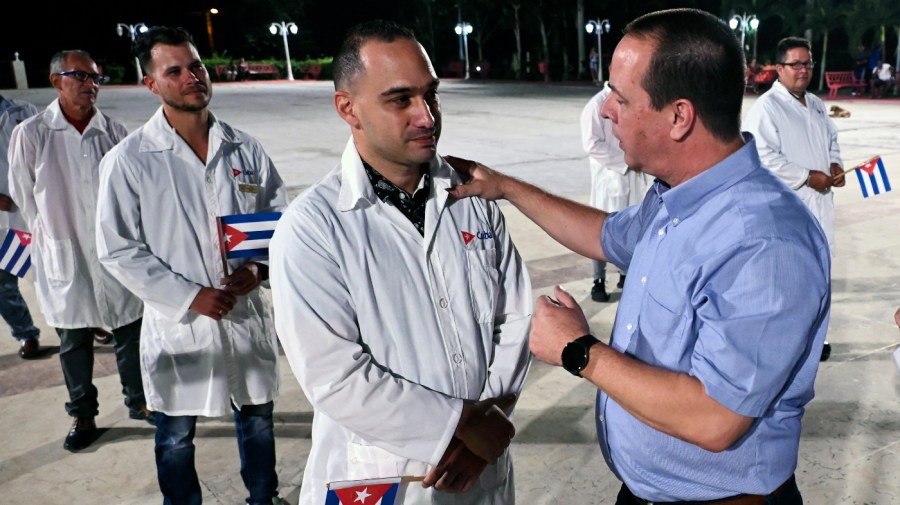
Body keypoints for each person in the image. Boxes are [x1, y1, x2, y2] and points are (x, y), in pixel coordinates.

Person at [447, 9, 829, 504]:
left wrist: (579, 350)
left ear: (678, 117)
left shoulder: (764, 240)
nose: (606, 110)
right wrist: (504, 188)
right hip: (648, 492)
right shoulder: (678, 197)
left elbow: (716, 418)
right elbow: (606, 234)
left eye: (621, 97)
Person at [269, 20, 532, 505]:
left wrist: (489, 426)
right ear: (348, 108)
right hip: (380, 473)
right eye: (400, 100)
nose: (427, 116)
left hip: (480, 469)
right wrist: (462, 425)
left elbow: (514, 319)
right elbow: (334, 376)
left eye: (431, 95)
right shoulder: (313, 228)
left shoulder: (472, 199)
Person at [95, 26, 289, 505]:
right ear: (151, 84)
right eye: (174, 70)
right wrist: (189, 296)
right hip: (180, 324)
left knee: (258, 420)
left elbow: (279, 222)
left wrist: (259, 270)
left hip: (244, 315)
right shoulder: (130, 160)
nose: (191, 77)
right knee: (176, 435)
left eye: (196, 66)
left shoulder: (245, 149)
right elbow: (117, 248)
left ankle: (263, 498)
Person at [7, 50, 152, 452]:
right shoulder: (32, 133)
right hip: (63, 248)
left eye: (96, 78)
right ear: (56, 81)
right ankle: (83, 413)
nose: (91, 85)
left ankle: (138, 402)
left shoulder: (115, 132)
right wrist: (53, 235)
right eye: (81, 76)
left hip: (114, 251)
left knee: (129, 331)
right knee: (74, 340)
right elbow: (24, 197)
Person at [743, 37, 844, 362]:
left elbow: (831, 138)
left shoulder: (814, 103)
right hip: (790, 208)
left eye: (808, 64)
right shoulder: (767, 108)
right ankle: (792, 344)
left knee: (820, 274)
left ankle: (817, 339)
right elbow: (761, 156)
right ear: (779, 68)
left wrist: (834, 164)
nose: (803, 70)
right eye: (795, 64)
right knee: (792, 279)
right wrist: (806, 176)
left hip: (821, 205)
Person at [580, 86, 652, 302]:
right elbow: (591, 144)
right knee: (603, 230)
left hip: (632, 176)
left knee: (632, 225)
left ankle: (624, 274)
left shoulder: (632, 101)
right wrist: (623, 160)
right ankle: (598, 280)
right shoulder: (595, 105)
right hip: (610, 178)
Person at [0, 95, 42, 359]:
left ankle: (82, 323)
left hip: (32, 210)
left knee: (52, 272)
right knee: (3, 283)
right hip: (2, 218)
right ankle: (26, 333)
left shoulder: (24, 110)